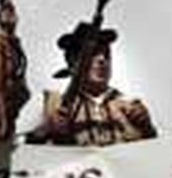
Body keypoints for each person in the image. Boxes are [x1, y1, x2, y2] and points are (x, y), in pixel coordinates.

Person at [27, 15, 154, 146]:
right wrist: (47, 128)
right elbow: (20, 146)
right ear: (73, 62)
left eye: (107, 55)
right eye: (93, 53)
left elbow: (152, 150)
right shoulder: (48, 103)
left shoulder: (129, 104)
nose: (102, 60)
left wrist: (147, 127)